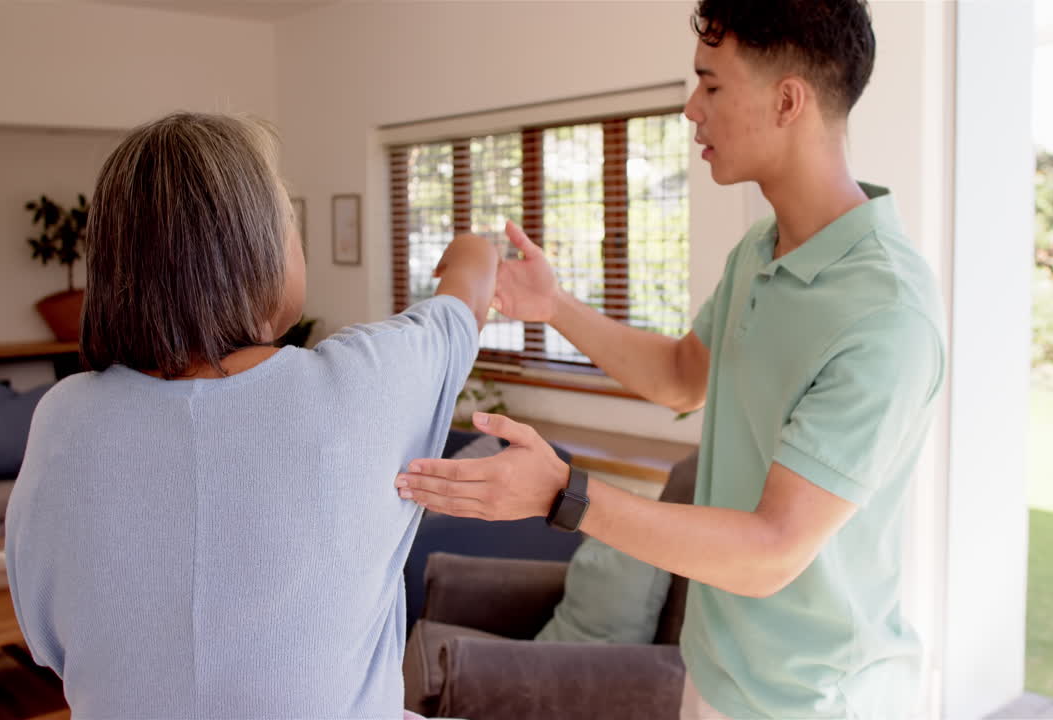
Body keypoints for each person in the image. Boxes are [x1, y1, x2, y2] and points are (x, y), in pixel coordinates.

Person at [393, 1, 947, 718]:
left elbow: (772, 549)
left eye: (711, 86)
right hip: (715, 675)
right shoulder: (762, 251)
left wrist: (564, 493)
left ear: (787, 100)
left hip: (817, 702)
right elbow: (683, 374)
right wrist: (553, 307)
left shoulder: (886, 313)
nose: (692, 108)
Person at [5, 112, 498, 719]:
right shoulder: (369, 380)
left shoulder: (64, 421)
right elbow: (464, 301)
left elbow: (51, 641)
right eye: (292, 225)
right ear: (259, 250)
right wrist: (477, 248)